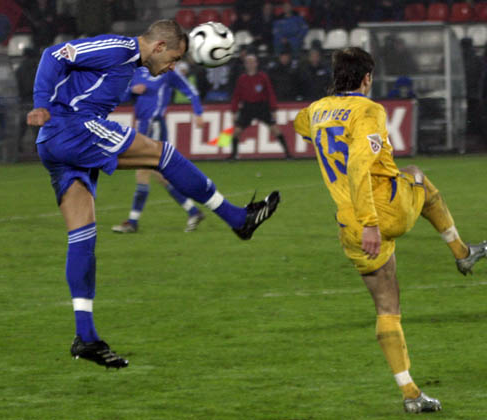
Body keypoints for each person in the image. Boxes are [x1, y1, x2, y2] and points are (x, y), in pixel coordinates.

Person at [27, 19, 281, 369]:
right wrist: (41, 102)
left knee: (82, 236)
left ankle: (85, 337)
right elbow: (54, 54)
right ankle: (237, 218)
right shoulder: (118, 48)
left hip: (57, 141)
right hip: (72, 128)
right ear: (159, 47)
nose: (173, 66)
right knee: (163, 155)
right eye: (174, 58)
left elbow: (87, 81)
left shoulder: (130, 66)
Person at [294, 47, 487, 413]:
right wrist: (372, 222)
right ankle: (462, 253)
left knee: (387, 307)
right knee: (416, 175)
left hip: (349, 225)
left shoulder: (316, 111)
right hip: (382, 211)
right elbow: (358, 165)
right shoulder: (370, 110)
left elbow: (300, 124)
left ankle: (410, 393)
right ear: (367, 78)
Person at [111, 63, 206, 234]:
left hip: (154, 125)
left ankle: (132, 222)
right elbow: (122, 97)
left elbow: (191, 91)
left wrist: (198, 113)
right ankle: (193, 211)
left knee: (142, 170)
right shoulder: (138, 72)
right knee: (159, 174)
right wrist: (132, 91)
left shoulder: (167, 72)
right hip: (142, 125)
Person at [230, 53, 292, 159]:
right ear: (245, 64)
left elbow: (270, 93)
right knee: (237, 131)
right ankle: (233, 155)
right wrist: (234, 111)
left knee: (275, 129)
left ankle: (288, 154)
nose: (250, 64)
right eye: (248, 62)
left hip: (262, 106)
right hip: (247, 107)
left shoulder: (263, 77)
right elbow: (236, 96)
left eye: (252, 62)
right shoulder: (242, 79)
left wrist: (273, 109)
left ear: (256, 64)